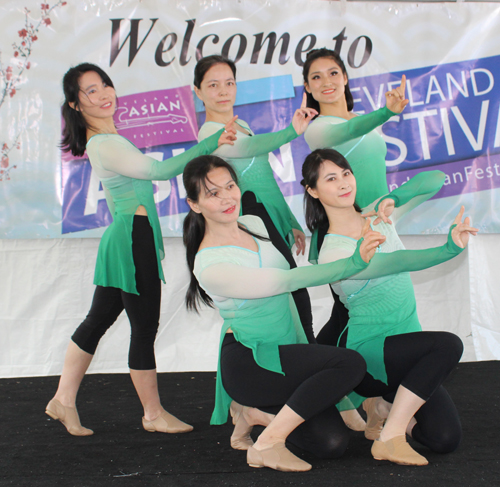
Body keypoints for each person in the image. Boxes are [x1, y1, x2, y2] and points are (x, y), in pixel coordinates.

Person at [45, 63, 236, 437]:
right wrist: (213, 143)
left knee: (98, 320)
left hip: (130, 235)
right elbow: (159, 172)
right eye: (90, 91)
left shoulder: (109, 139)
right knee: (143, 326)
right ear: (75, 104)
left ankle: (63, 400)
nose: (103, 95)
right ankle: (152, 414)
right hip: (131, 239)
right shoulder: (105, 143)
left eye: (105, 86)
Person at [182, 155, 387, 472]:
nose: (227, 198)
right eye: (213, 193)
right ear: (194, 204)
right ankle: (266, 439)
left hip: (289, 352)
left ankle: (256, 417)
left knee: (332, 443)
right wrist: (353, 263)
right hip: (253, 362)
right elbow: (287, 280)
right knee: (349, 367)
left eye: (230, 186)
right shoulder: (209, 265)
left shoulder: (254, 223)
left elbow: (293, 285)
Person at [302, 148, 477, 466]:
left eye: (346, 173)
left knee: (444, 439)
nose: (343, 183)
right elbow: (395, 262)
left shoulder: (378, 215)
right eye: (331, 178)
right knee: (448, 345)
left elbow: (434, 179)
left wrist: (396, 198)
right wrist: (449, 248)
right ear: (312, 190)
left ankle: (380, 408)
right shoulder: (333, 250)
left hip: (409, 351)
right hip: (371, 355)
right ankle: (390, 436)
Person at [194, 55, 317, 343]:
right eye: (213, 85)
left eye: (229, 83)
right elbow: (250, 147)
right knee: (293, 291)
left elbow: (264, 178)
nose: (223, 91)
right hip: (250, 219)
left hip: (267, 216)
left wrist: (288, 220)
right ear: (198, 92)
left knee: (294, 293)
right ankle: (306, 358)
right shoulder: (211, 133)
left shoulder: (243, 123)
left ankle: (308, 357)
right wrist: (290, 131)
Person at [302, 47, 409, 354]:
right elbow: (349, 129)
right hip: (345, 232)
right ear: (308, 88)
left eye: (334, 73)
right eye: (316, 77)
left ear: (345, 78)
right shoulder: (318, 129)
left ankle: (345, 378)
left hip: (377, 224)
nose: (327, 81)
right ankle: (323, 374)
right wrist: (387, 112)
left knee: (363, 310)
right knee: (350, 313)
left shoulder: (366, 120)